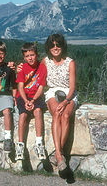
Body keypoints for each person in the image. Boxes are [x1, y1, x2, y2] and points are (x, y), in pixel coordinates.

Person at [42, 33, 78, 173]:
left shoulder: (70, 62)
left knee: (66, 115)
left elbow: (73, 87)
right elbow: (34, 74)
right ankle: (60, 155)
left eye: (58, 45)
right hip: (52, 91)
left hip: (69, 93)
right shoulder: (45, 61)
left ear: (63, 46)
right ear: (49, 47)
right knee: (57, 112)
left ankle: (57, 154)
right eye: (52, 45)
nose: (55, 48)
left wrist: (67, 101)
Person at [15, 42, 47, 160]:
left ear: (36, 55)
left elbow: (41, 87)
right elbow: (20, 86)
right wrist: (25, 101)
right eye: (27, 56)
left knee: (38, 111)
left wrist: (33, 100)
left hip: (36, 97)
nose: (30, 58)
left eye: (32, 55)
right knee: (23, 115)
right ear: (24, 57)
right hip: (23, 96)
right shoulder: (23, 68)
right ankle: (20, 145)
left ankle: (39, 143)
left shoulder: (42, 67)